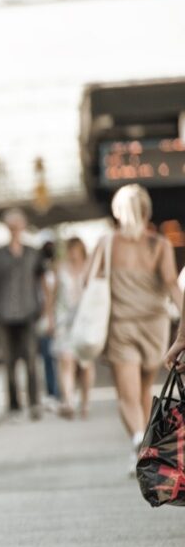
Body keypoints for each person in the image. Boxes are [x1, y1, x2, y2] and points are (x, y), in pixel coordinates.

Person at [101, 185, 181, 472]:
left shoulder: (108, 243)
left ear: (117, 211)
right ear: (146, 211)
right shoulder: (159, 244)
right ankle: (146, 446)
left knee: (128, 397)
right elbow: (173, 285)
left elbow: (90, 284)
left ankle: (138, 441)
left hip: (121, 326)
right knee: (145, 390)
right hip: (155, 327)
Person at [0, 208, 53, 420]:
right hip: (4, 314)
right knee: (9, 362)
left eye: (18, 225)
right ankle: (13, 405)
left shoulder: (33, 253)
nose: (15, 229)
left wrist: (48, 309)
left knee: (30, 359)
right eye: (12, 226)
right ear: (7, 228)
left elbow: (44, 281)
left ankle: (34, 403)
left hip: (29, 313)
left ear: (23, 226)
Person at [51, 237, 94, 419]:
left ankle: (85, 402)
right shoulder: (60, 269)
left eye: (76, 249)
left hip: (86, 322)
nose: (73, 253)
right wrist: (50, 318)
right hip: (64, 322)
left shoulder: (90, 268)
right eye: (71, 249)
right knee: (66, 360)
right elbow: (52, 295)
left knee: (85, 365)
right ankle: (69, 401)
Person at [36, 234, 60, 407]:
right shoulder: (56, 270)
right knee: (52, 358)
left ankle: (55, 392)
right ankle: (56, 392)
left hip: (52, 320)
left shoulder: (45, 272)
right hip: (53, 320)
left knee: (52, 358)